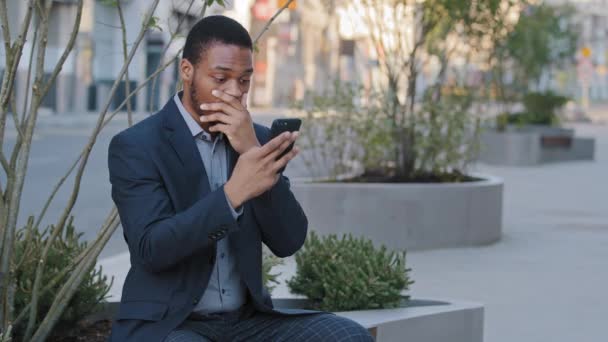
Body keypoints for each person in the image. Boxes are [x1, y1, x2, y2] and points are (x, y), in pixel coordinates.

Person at [107, 15, 373, 342]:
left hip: (249, 322)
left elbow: (288, 241)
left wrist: (252, 152)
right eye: (220, 78)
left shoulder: (255, 140)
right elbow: (152, 249)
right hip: (173, 323)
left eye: (244, 80)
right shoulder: (137, 146)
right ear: (187, 71)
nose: (234, 92)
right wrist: (232, 195)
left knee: (348, 337)